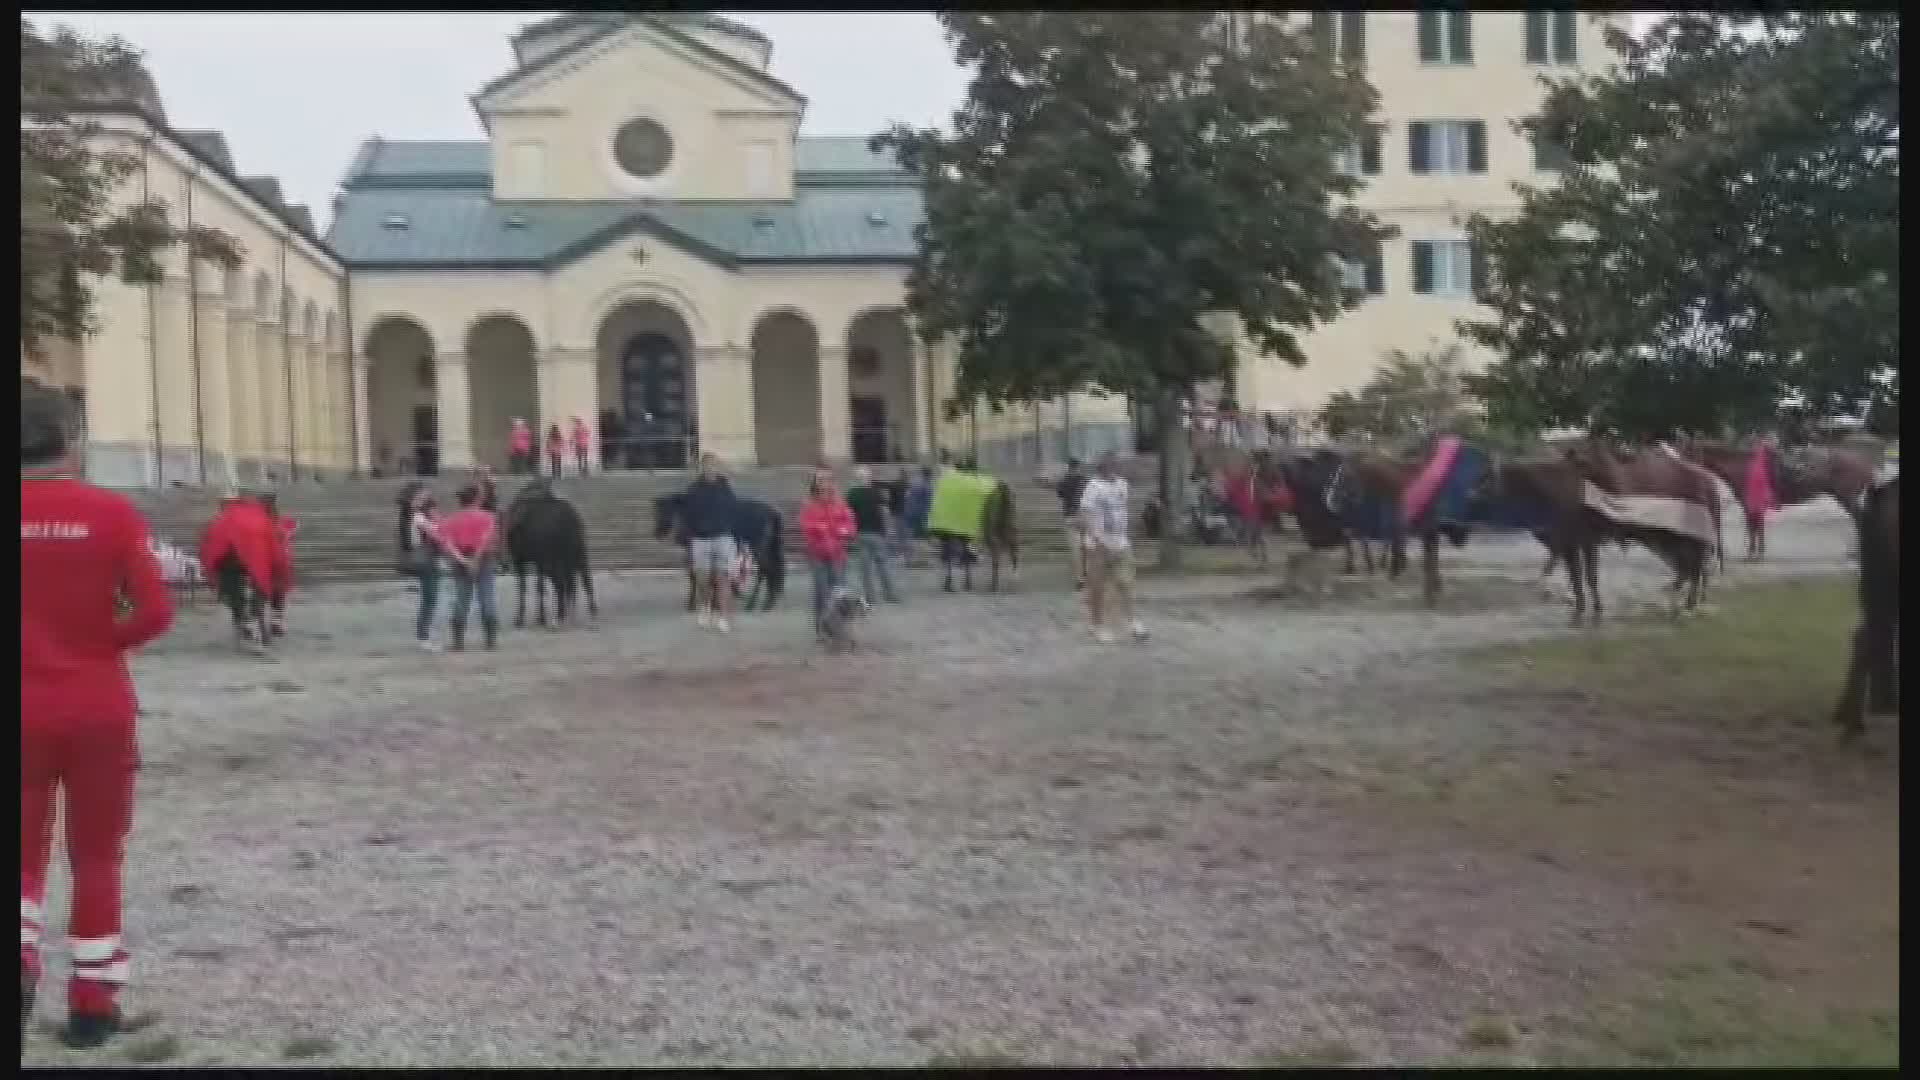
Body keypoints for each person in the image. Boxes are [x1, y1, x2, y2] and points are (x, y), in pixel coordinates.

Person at [21, 382, 175, 1048]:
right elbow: (155, 611)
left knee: (21, 852)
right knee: (97, 856)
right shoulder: (111, 515)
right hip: (96, 706)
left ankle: (20, 958)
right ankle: (92, 1002)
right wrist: (94, 642)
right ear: (71, 444)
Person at [1079, 450, 1148, 644]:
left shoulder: (1122, 484)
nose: (1116, 468)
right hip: (1098, 544)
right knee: (1098, 587)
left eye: (1117, 465)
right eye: (1111, 465)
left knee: (1126, 582)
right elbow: (1086, 513)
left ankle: (1133, 622)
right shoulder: (1093, 487)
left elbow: (1123, 510)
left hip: (1121, 541)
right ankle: (1098, 625)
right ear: (1103, 468)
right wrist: (1096, 537)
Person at [199, 488, 280, 650]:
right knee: (254, 599)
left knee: (237, 598)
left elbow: (211, 544)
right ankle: (256, 631)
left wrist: (211, 563)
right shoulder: (257, 518)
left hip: (231, 564)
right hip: (254, 563)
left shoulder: (223, 520)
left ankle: (248, 629)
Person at [797, 467, 857, 643]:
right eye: (821, 480)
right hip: (817, 554)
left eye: (828, 480)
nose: (825, 484)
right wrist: (821, 529)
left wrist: (840, 530)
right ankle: (822, 629)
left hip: (838, 554)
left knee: (839, 593)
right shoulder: (809, 505)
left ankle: (840, 629)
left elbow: (850, 526)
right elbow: (807, 526)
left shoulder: (840, 504)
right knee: (822, 592)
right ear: (815, 484)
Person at [681, 453, 739, 633]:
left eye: (714, 465)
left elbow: (734, 509)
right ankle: (706, 606)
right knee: (702, 579)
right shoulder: (693, 489)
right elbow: (688, 515)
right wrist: (690, 536)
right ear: (702, 468)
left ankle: (723, 616)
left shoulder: (726, 487)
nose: (711, 469)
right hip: (701, 539)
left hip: (723, 537)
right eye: (707, 466)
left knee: (723, 579)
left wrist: (733, 532)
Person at [438, 484, 500, 651]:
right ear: (477, 499)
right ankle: (490, 640)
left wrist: (463, 560)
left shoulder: (450, 520)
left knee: (461, 599)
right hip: (484, 559)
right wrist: (475, 559)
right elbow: (486, 539)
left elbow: (447, 543)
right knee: (487, 596)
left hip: (460, 559)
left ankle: (458, 642)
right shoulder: (488, 517)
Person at [398, 485, 448, 651]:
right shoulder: (418, 517)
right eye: (420, 498)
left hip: (422, 560)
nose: (423, 501)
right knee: (430, 600)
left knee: (429, 600)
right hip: (426, 561)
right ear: (412, 500)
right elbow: (437, 532)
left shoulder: (408, 516)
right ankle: (424, 637)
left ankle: (425, 635)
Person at [844, 465, 901, 605]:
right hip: (878, 532)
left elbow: (847, 514)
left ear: (856, 479)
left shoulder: (852, 494)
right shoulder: (876, 492)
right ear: (868, 478)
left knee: (865, 567)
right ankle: (890, 593)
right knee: (883, 565)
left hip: (861, 532)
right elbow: (884, 511)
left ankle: (871, 597)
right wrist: (888, 529)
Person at [258, 490, 296, 639]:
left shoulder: (279, 522)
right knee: (275, 594)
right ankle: (274, 622)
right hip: (272, 562)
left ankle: (274, 622)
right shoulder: (277, 522)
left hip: (273, 562)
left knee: (276, 594)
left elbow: (288, 536)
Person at [1056, 458, 1090, 589]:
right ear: (1079, 466)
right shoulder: (1086, 481)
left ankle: (1080, 578)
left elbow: (1060, 494)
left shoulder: (1064, 481)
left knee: (1075, 549)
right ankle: (1087, 570)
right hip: (1085, 515)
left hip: (1070, 516)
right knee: (1086, 545)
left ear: (1069, 467)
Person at [903, 465, 934, 564]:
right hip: (921, 514)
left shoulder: (914, 484)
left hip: (910, 513)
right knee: (922, 537)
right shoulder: (927, 485)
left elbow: (907, 498)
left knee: (913, 536)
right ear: (930, 475)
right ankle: (921, 559)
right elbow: (929, 502)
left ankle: (910, 558)